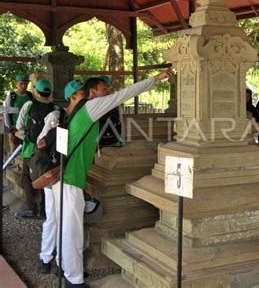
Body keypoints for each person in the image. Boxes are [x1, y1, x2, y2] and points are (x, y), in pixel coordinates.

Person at [40, 69, 173, 287]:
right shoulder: (91, 107)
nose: (108, 92)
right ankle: (73, 279)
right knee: (72, 231)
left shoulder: (74, 113)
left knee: (65, 226)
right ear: (92, 93)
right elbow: (125, 94)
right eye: (104, 89)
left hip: (63, 178)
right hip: (70, 181)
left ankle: (63, 267)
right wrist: (155, 79)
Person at [35, 80, 86, 275]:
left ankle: (61, 262)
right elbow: (42, 141)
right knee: (53, 219)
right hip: (52, 176)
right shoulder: (56, 116)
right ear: (71, 97)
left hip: (64, 174)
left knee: (62, 220)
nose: (86, 96)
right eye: (82, 93)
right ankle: (45, 257)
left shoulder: (76, 117)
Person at [15, 79, 56, 218]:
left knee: (27, 177)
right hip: (48, 151)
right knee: (45, 177)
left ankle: (31, 208)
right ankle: (45, 209)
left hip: (30, 149)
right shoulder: (55, 108)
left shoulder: (29, 104)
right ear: (49, 93)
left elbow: (19, 125)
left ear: (36, 92)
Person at [4, 74, 34, 153]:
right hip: (15, 129)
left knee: (27, 152)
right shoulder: (11, 96)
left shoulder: (30, 96)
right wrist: (10, 129)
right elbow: (5, 111)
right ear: (16, 84)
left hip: (28, 129)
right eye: (21, 83)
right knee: (15, 152)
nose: (24, 86)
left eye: (26, 84)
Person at [96, 76, 124, 148]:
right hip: (114, 139)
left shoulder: (94, 103)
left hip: (99, 142)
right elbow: (120, 121)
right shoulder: (114, 102)